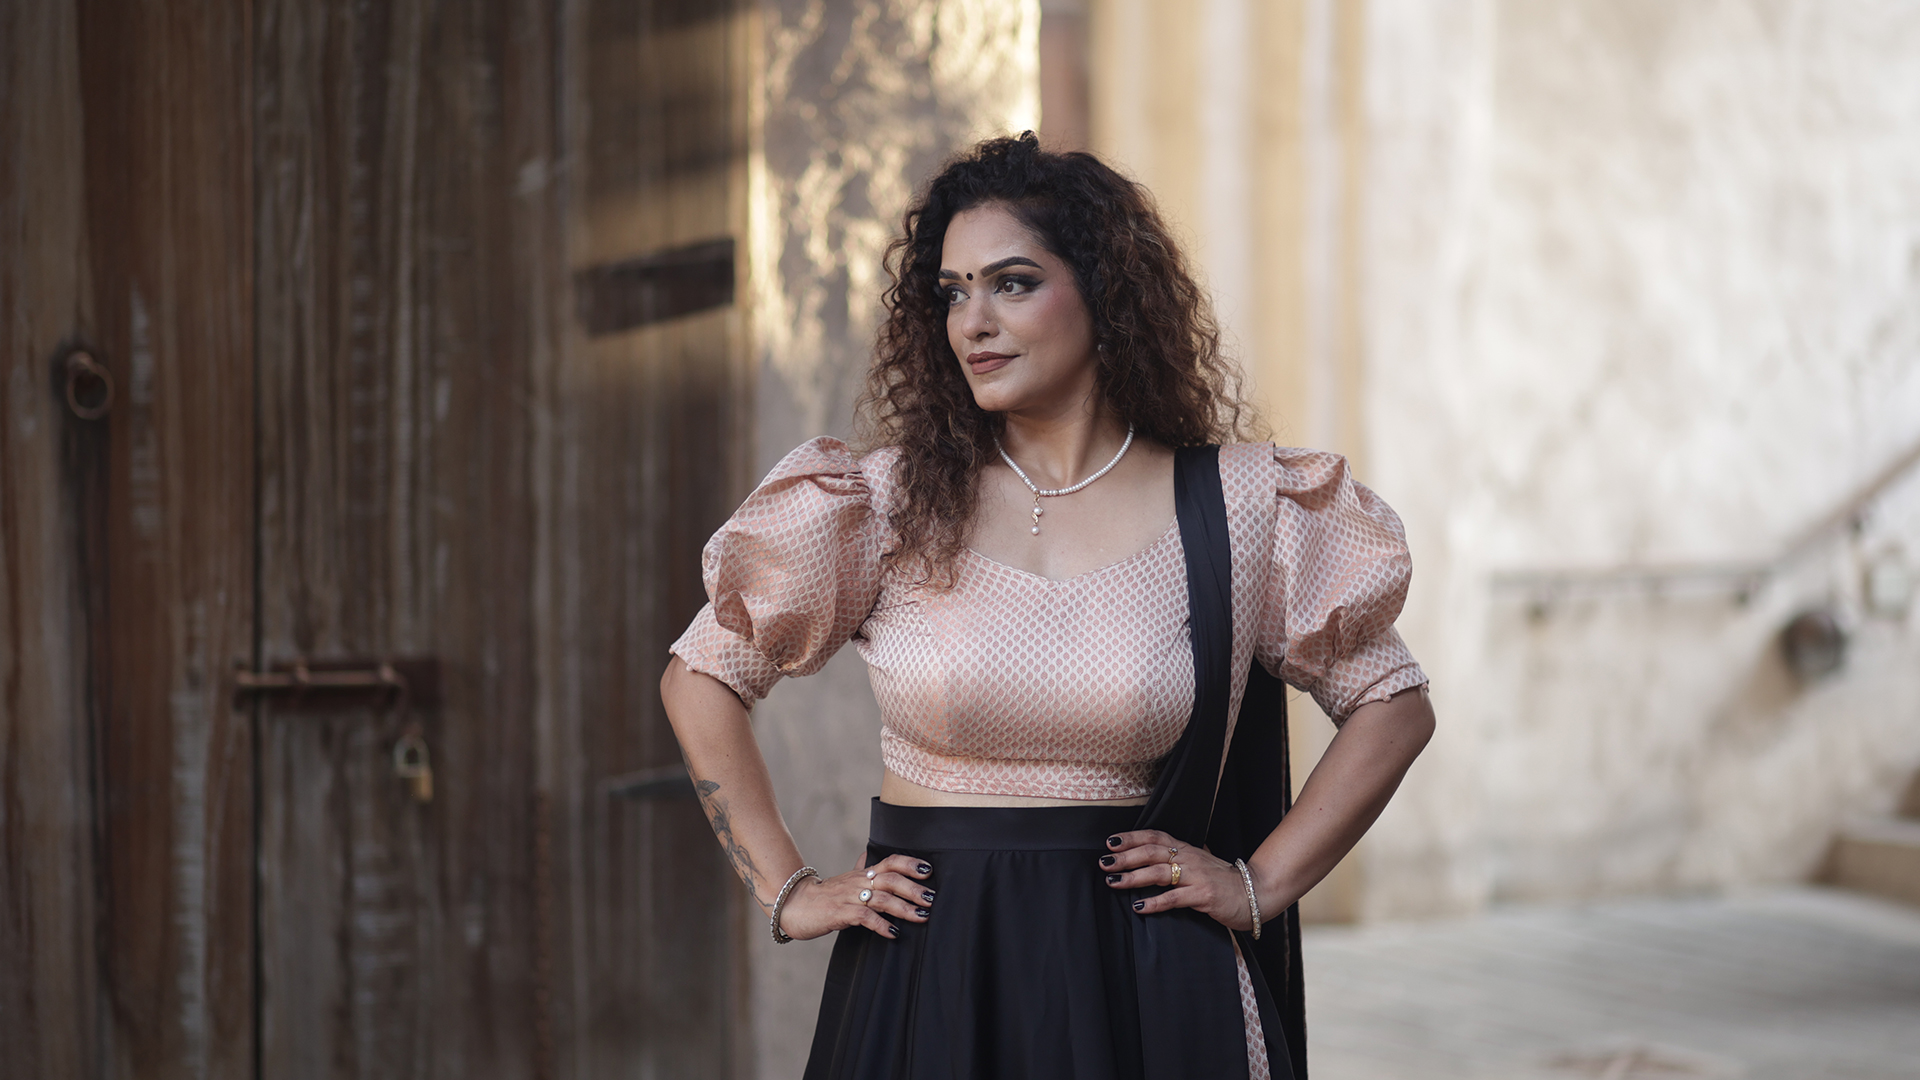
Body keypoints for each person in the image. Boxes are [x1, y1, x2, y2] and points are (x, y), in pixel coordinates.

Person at [660, 132, 1434, 1080]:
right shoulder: (887, 502)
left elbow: (1393, 705)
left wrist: (1258, 883)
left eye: (1013, 284)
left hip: (1148, 982)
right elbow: (700, 678)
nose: (973, 323)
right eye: (953, 292)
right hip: (930, 974)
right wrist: (787, 887)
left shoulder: (1237, 507)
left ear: (1107, 293)